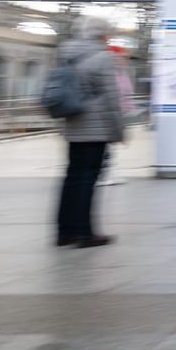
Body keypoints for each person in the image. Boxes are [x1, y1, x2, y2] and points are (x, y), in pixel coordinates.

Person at [55, 16, 125, 247]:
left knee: (72, 178)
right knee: (88, 180)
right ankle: (84, 233)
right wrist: (119, 131)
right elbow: (111, 98)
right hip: (96, 128)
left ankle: (64, 232)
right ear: (102, 35)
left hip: (72, 123)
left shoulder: (66, 53)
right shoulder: (103, 57)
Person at [96, 44, 135, 187]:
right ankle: (104, 174)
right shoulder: (109, 73)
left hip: (117, 112)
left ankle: (110, 171)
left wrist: (127, 109)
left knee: (111, 145)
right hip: (108, 113)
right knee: (107, 145)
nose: (125, 60)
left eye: (125, 58)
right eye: (122, 57)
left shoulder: (121, 72)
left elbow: (126, 94)